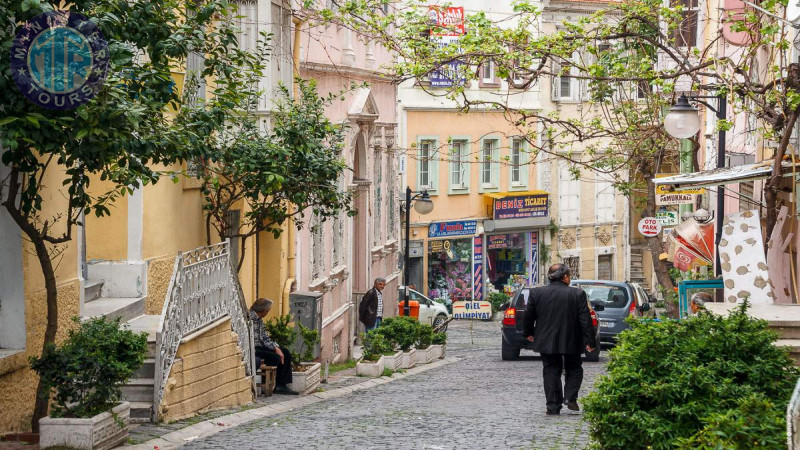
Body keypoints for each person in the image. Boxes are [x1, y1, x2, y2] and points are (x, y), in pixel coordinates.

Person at [523, 263, 596, 416]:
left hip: (546, 339)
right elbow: (585, 320)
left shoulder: (536, 293)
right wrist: (590, 341)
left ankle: (553, 406)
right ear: (565, 277)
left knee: (550, 370)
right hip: (571, 339)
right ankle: (570, 397)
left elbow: (528, 316)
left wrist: (528, 332)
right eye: (569, 276)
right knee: (574, 368)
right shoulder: (577, 294)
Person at [249, 298, 298, 395]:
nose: (268, 312)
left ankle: (281, 385)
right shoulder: (250, 318)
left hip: (260, 347)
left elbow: (266, 338)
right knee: (276, 357)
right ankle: (267, 383)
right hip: (253, 348)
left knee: (285, 353)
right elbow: (257, 341)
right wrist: (276, 350)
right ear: (263, 311)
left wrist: (277, 348)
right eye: (268, 310)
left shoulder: (259, 320)